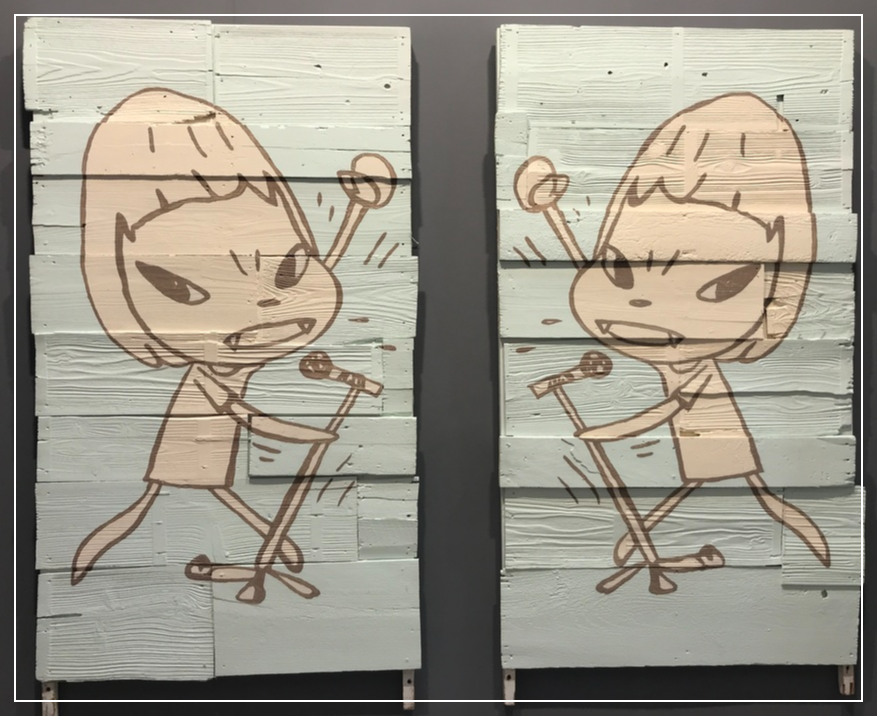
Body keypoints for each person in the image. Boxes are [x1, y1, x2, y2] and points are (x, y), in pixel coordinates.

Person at [516, 93, 830, 594]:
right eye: (620, 269)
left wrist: (608, 432)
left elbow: (665, 412)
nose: (643, 304)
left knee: (723, 487)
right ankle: (658, 550)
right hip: (699, 442)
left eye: (717, 289)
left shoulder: (695, 372)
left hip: (715, 438)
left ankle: (667, 551)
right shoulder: (678, 360)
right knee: (717, 487)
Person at [72, 88, 366, 588]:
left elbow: (300, 293)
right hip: (191, 443)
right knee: (188, 492)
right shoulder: (210, 380)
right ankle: (257, 551)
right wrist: (310, 435)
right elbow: (251, 419)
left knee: (202, 492)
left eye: (289, 267)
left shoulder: (232, 359)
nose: (264, 307)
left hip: (211, 448)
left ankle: (266, 550)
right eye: (182, 291)